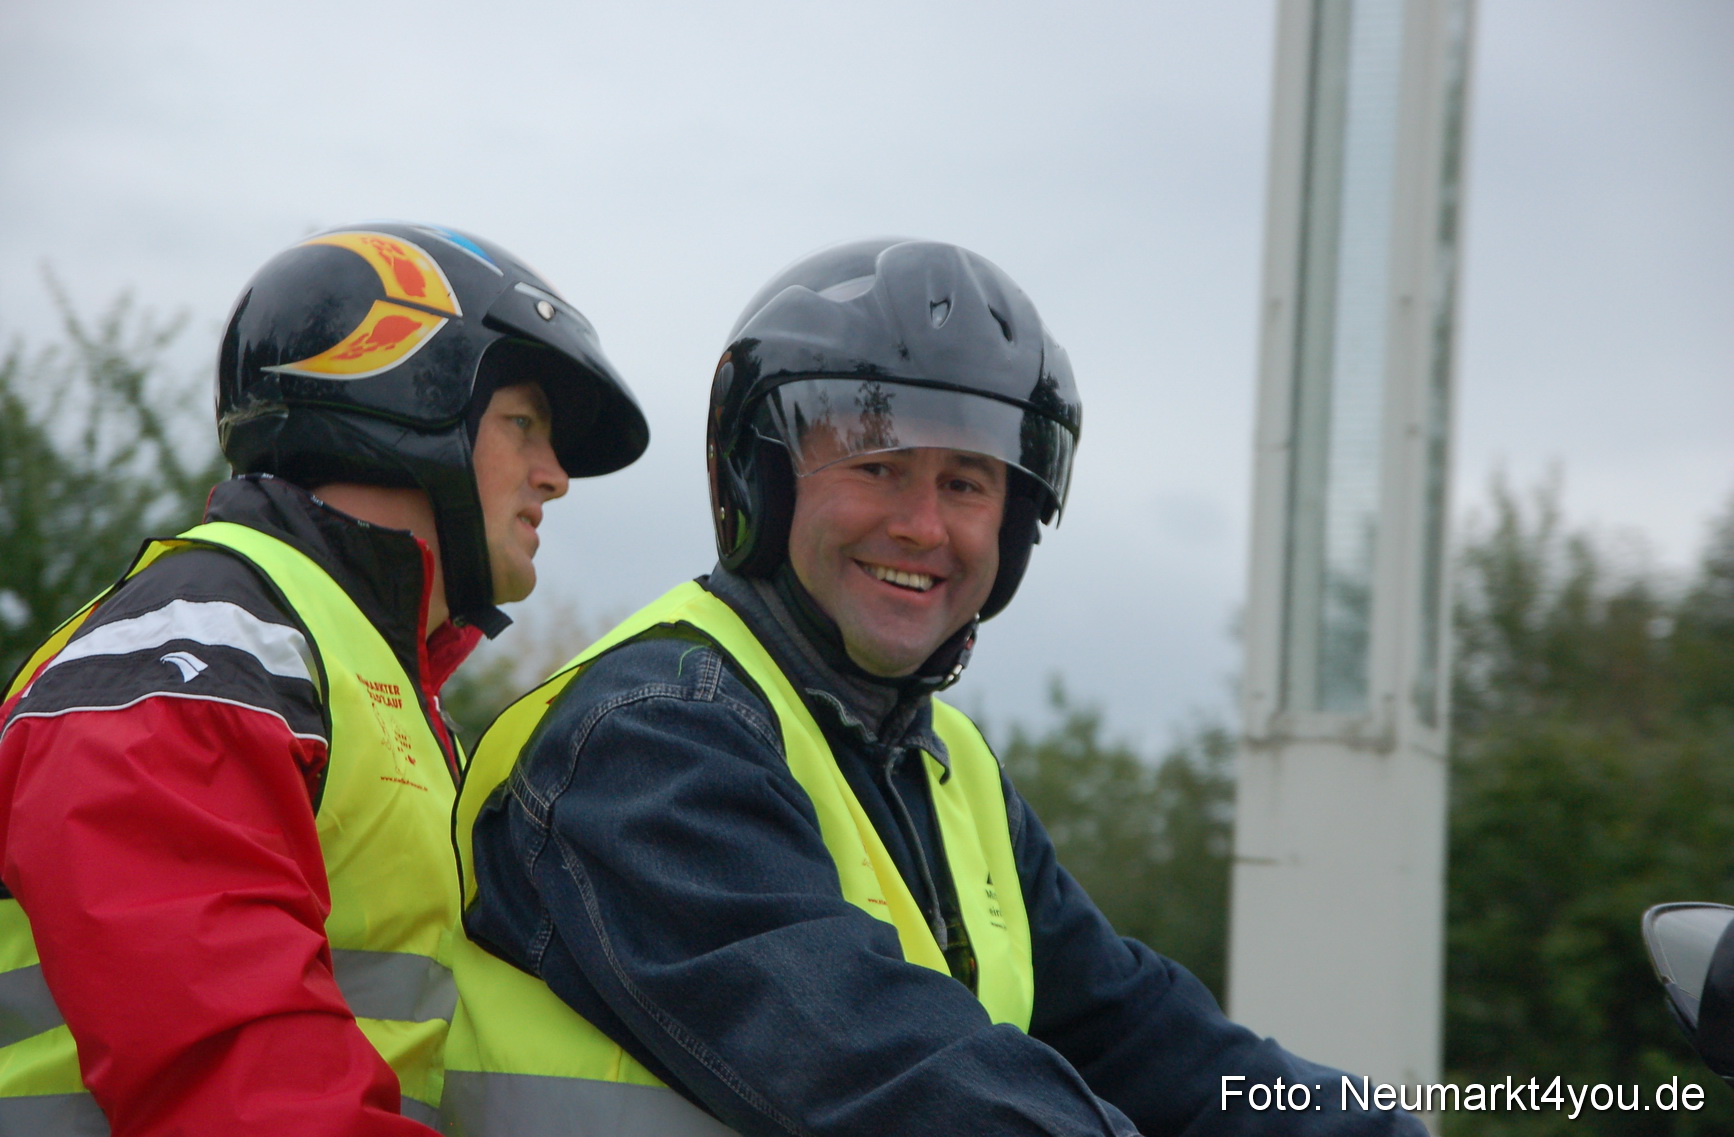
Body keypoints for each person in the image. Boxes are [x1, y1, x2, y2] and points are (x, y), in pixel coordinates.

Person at [446, 238, 1422, 1135]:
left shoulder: (944, 765)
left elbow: (1141, 1033)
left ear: (1016, 526)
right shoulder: (651, 736)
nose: (922, 525)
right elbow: (890, 1071)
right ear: (764, 484)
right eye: (878, 465)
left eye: (966, 484)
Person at [0, 222, 647, 1135]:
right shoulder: (203, 647)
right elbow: (240, 1075)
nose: (556, 476)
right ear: (408, 404)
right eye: (524, 424)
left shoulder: (361, 672)